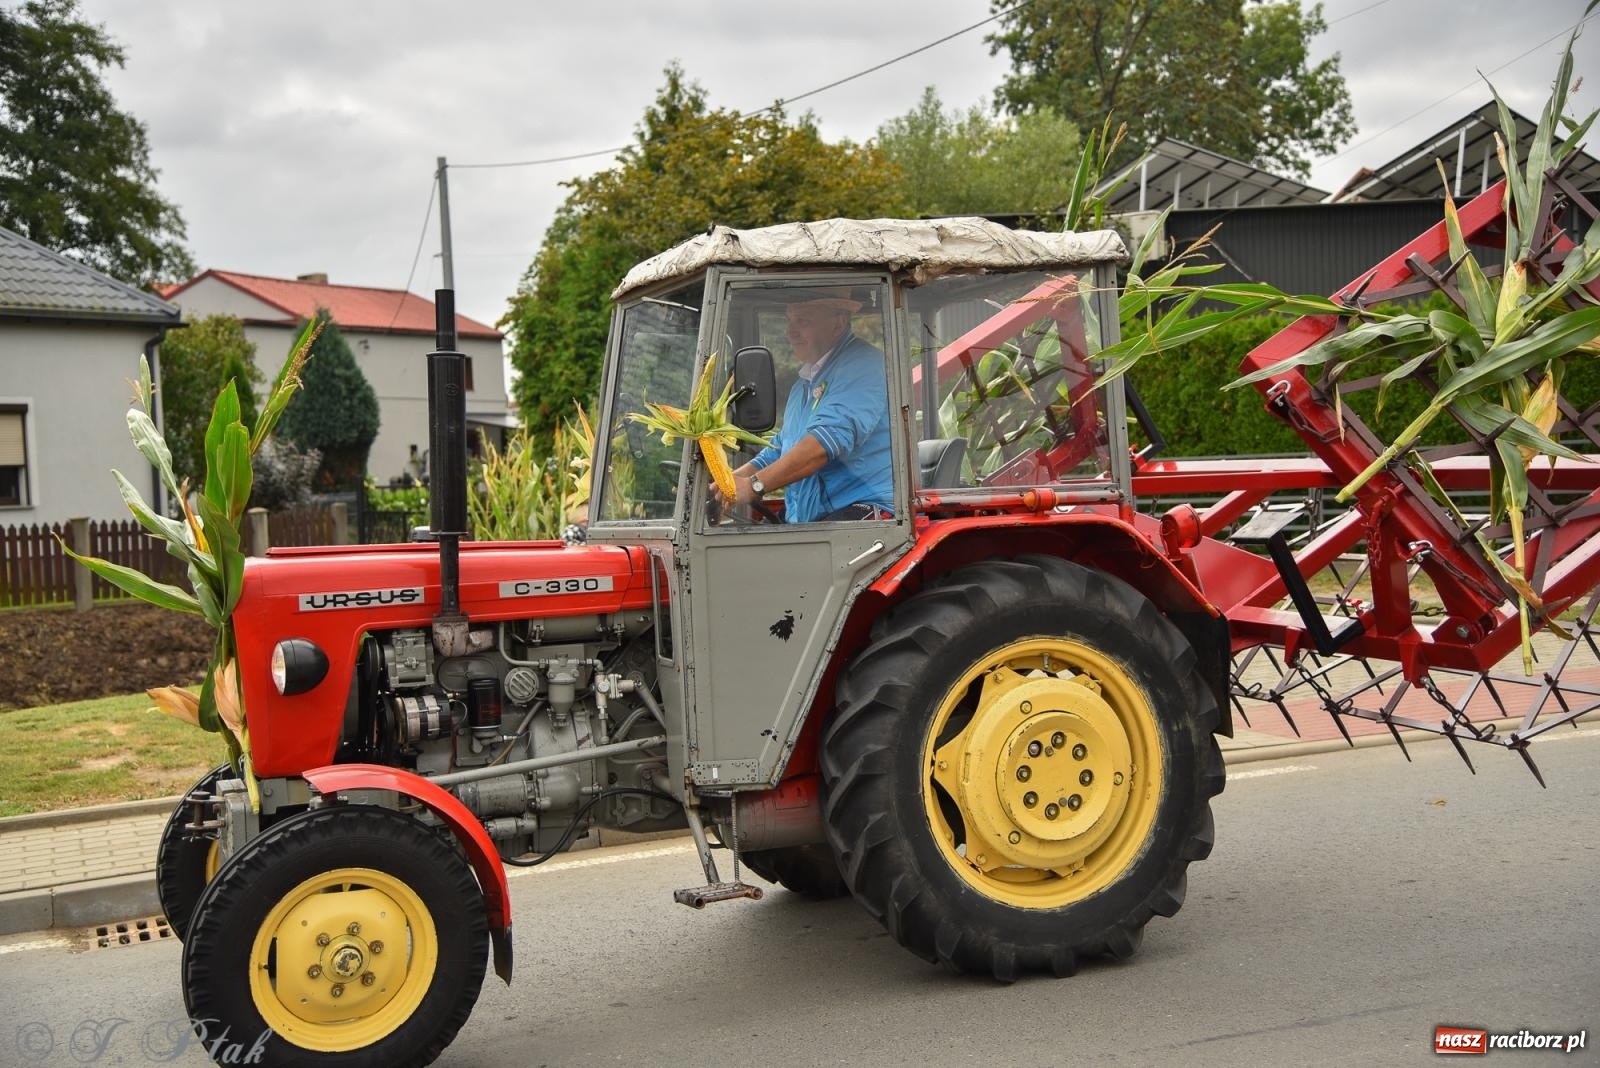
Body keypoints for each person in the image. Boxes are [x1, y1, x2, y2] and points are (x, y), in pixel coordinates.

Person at [728, 288, 894, 522]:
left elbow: (823, 444)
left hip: (863, 510)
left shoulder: (862, 366)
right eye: (790, 321)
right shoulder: (803, 385)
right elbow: (782, 447)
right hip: (815, 512)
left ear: (838, 325)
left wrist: (755, 486)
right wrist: (729, 481)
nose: (790, 332)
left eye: (803, 321)